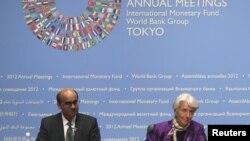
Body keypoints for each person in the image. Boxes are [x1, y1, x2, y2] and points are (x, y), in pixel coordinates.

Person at [36, 88, 101, 141]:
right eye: (68, 103)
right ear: (59, 105)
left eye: (75, 102)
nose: (73, 107)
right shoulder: (48, 123)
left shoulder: (90, 123)